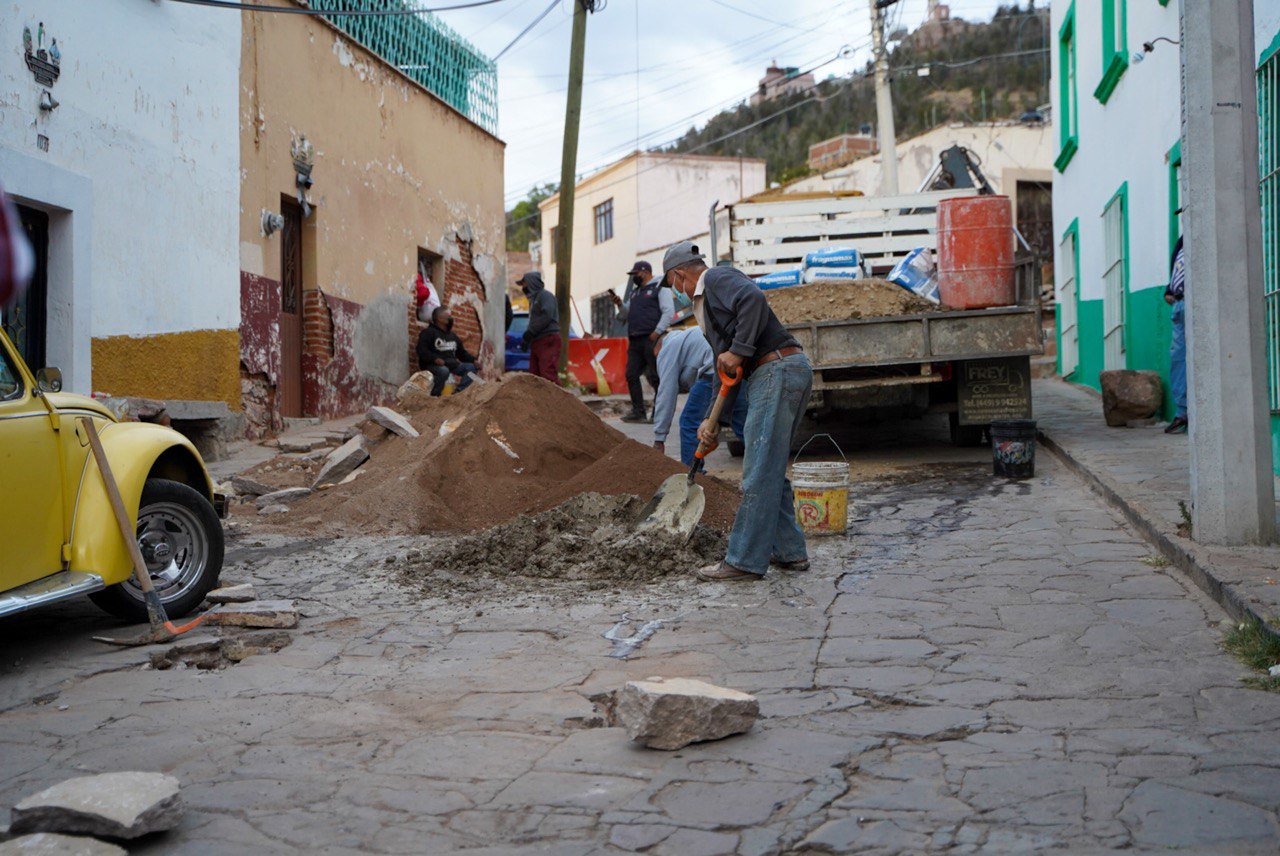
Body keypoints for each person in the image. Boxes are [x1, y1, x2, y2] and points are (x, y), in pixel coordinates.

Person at [663, 240, 813, 582]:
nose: (676, 292)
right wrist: (712, 422)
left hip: (776, 370)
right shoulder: (706, 308)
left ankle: (743, 561)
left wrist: (740, 349)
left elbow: (754, 300)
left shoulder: (716, 279)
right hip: (782, 371)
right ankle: (790, 553)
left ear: (680, 275)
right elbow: (726, 368)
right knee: (769, 466)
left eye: (673, 285)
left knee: (758, 472)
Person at [652, 326, 749, 467]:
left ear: (658, 347)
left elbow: (666, 392)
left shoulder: (667, 348)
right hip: (734, 368)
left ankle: (693, 476)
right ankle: (768, 474)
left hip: (715, 372)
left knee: (690, 422)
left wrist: (659, 439)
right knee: (746, 427)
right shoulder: (687, 338)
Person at [611, 261, 674, 423]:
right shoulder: (635, 293)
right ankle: (638, 411)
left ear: (645, 272)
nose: (634, 278)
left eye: (635, 274)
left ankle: (658, 412)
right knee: (631, 374)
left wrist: (657, 332)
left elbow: (668, 311)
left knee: (655, 377)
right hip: (635, 339)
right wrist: (619, 304)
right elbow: (626, 314)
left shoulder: (660, 287)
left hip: (652, 339)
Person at [416, 307, 478, 396]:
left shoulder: (452, 336)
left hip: (451, 364)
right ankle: (434, 396)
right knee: (443, 371)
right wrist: (435, 359)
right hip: (433, 365)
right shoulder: (428, 333)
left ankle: (458, 393)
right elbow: (422, 351)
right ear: (439, 319)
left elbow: (462, 353)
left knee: (471, 368)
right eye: (448, 316)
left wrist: (474, 360)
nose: (450, 318)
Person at [517, 271, 560, 384]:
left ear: (532, 283)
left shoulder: (545, 296)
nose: (523, 287)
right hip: (537, 340)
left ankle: (558, 400)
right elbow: (534, 321)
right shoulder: (534, 300)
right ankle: (540, 401)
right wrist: (528, 339)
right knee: (535, 376)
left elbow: (547, 315)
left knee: (547, 375)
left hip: (547, 339)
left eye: (524, 284)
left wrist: (531, 332)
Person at [1164, 234, 1188, 434]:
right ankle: (1182, 413)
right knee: (1178, 358)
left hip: (1191, 301)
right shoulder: (1182, 240)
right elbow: (1177, 267)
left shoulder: (1203, 226)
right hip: (1178, 304)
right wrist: (1168, 289)